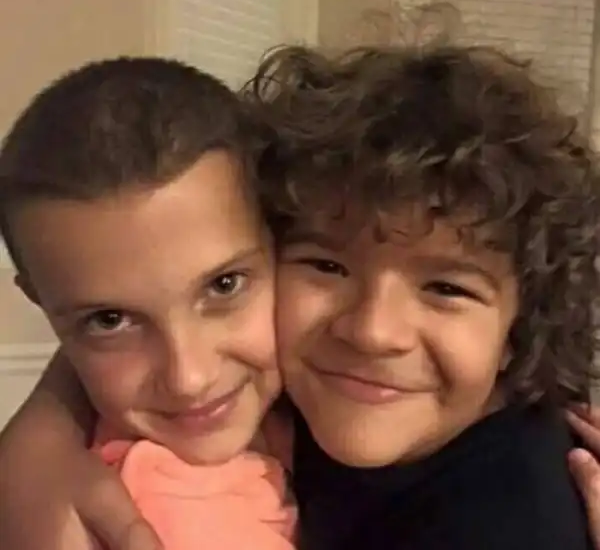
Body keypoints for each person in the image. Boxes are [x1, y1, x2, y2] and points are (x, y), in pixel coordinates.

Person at [2, 35, 600, 549]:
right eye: (327, 266)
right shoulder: (301, 387)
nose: (372, 331)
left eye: (446, 288)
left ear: (524, 323)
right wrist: (37, 442)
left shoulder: (515, 519)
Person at [0, 57, 295, 550]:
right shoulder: (162, 518)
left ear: (285, 239)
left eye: (224, 285)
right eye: (110, 320)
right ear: (42, 305)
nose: (189, 378)